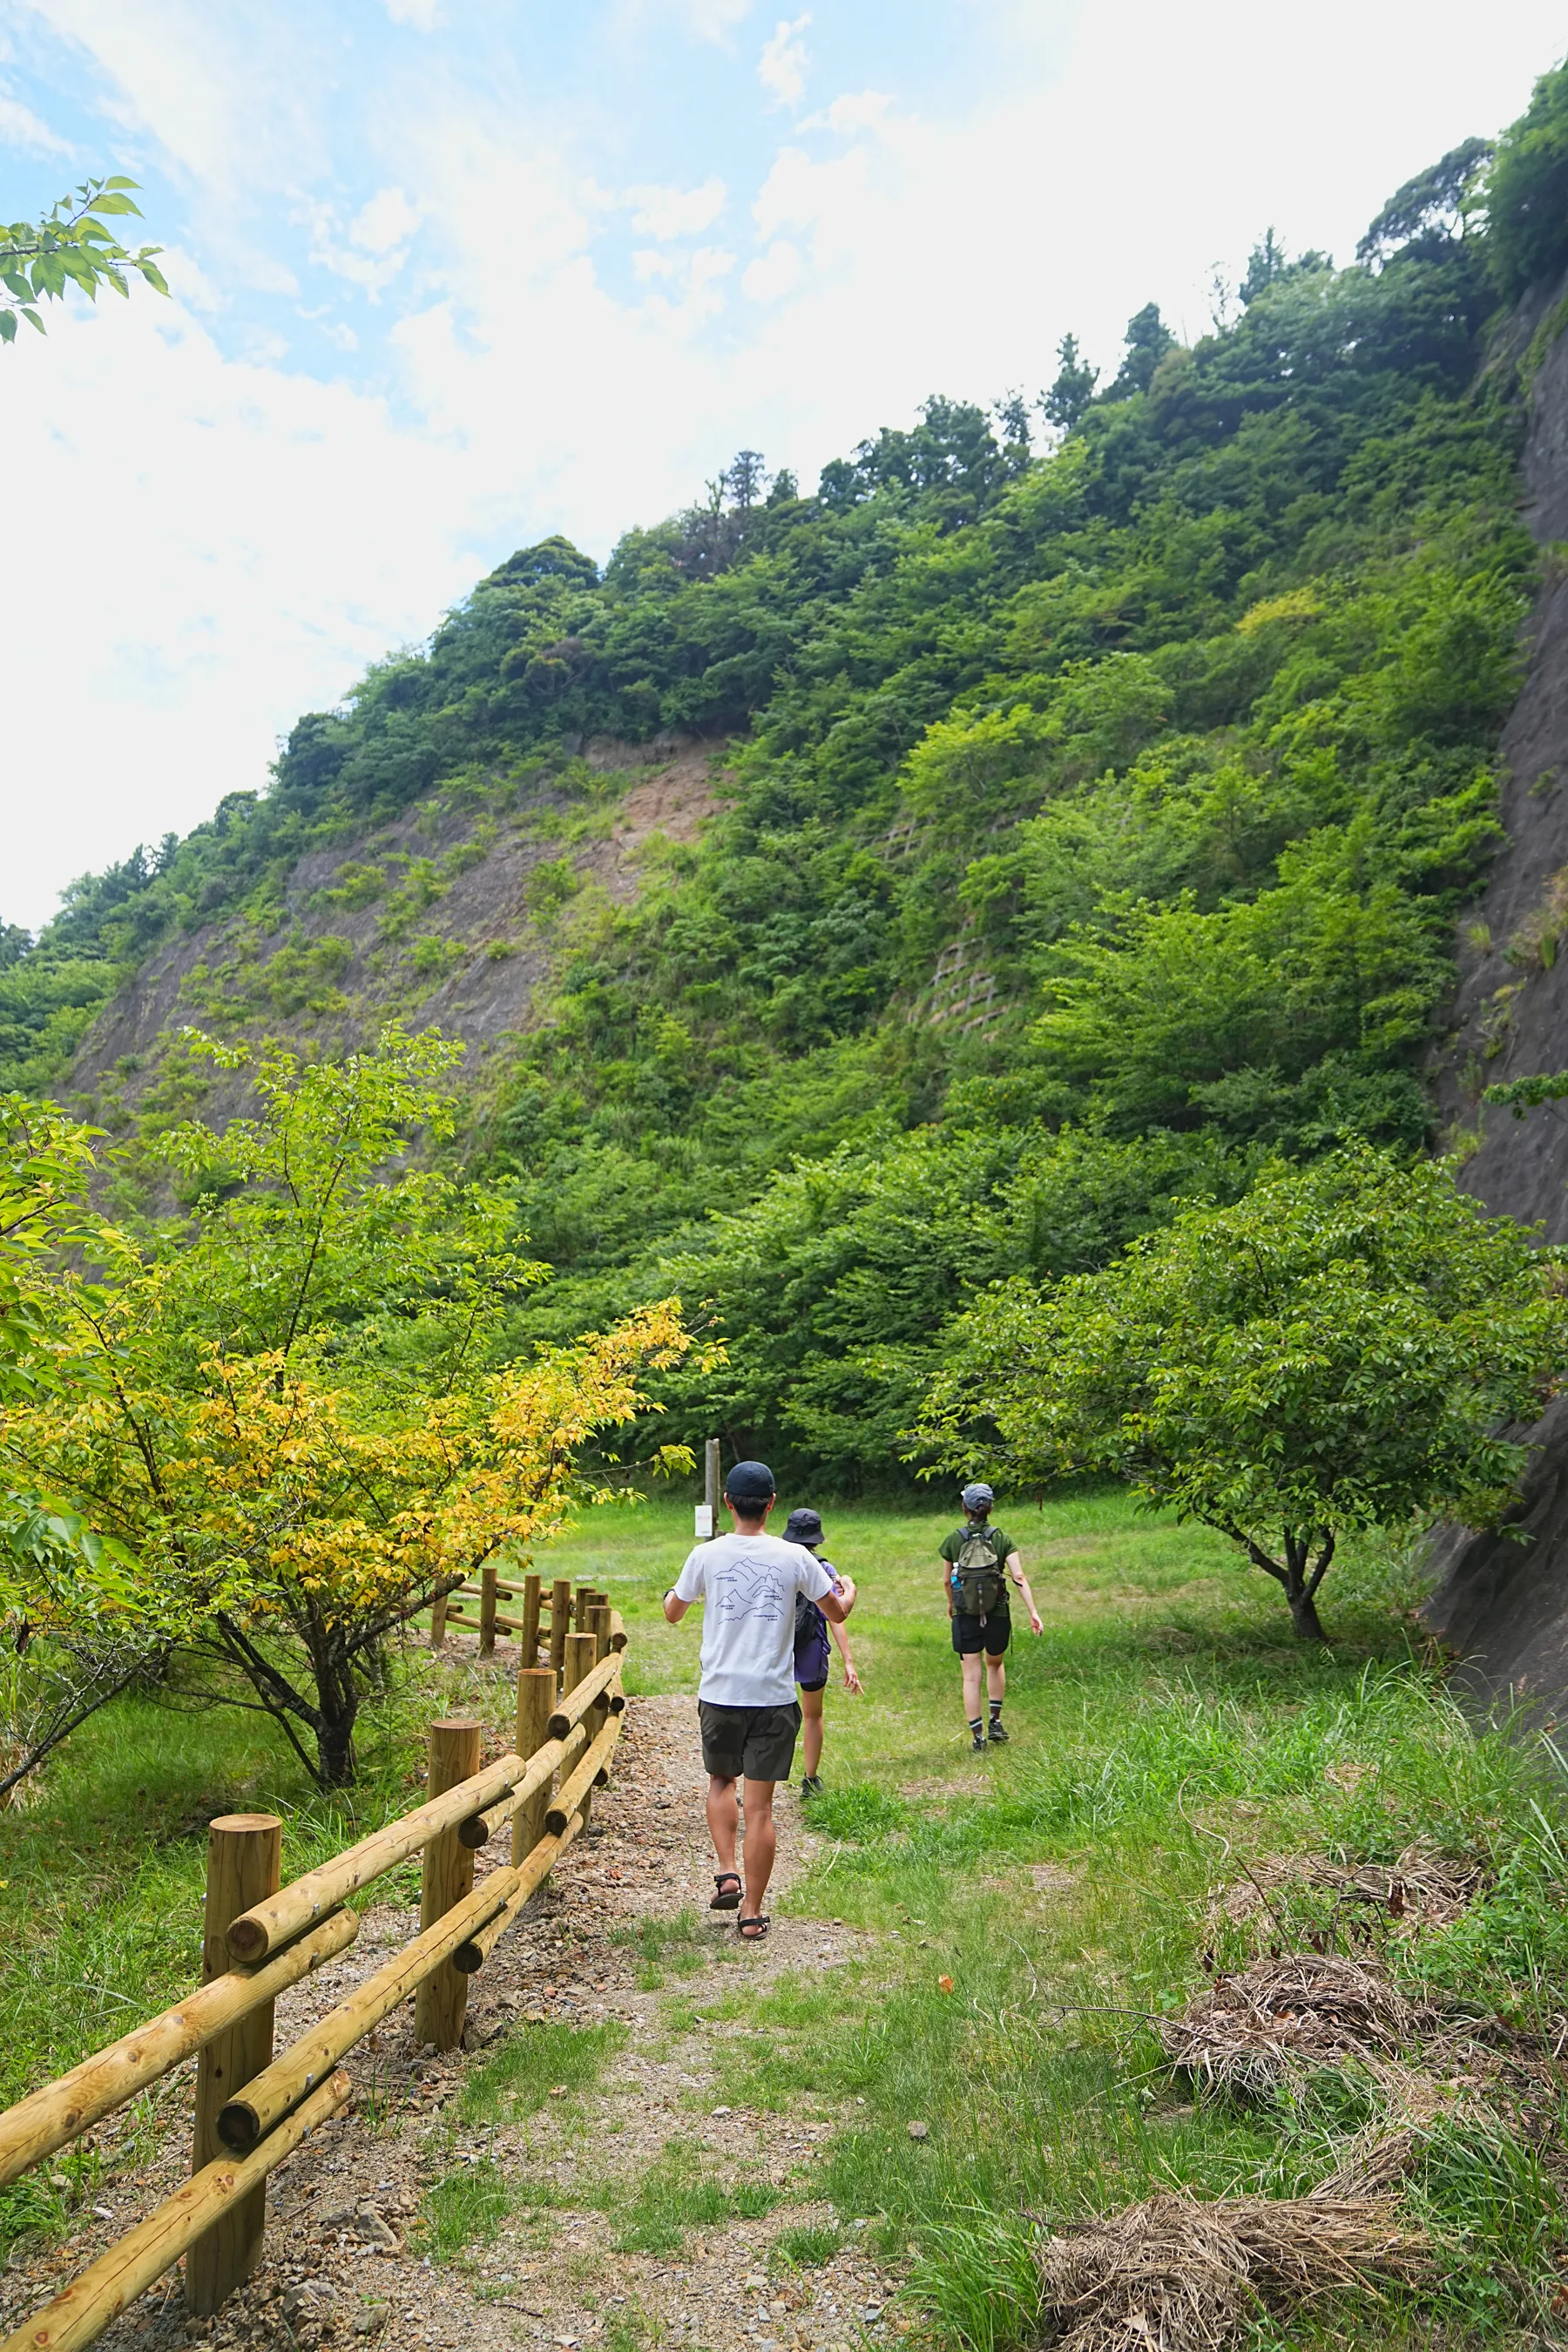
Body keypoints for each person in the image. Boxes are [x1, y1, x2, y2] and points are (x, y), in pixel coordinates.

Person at [664, 1459, 856, 1940]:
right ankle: (751, 1912)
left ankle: (726, 1868)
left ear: (728, 1502)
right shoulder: (796, 1556)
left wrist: (674, 1592)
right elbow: (835, 1609)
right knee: (762, 1810)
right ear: (772, 1504)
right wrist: (850, 1593)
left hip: (721, 1694)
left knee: (720, 1781)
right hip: (773, 1697)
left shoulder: (705, 1555)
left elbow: (672, 1612)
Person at [939, 1481, 1041, 1754]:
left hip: (965, 1613)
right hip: (997, 1612)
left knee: (971, 1676)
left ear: (965, 1508)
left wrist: (951, 1605)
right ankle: (996, 1722)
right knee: (994, 1664)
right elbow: (1018, 1576)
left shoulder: (953, 1539)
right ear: (990, 1508)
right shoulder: (1001, 1537)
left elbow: (947, 1581)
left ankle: (977, 1737)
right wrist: (1033, 1612)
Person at [782, 1506, 862, 1796]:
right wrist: (849, 1662)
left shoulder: (776, 1563)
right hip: (811, 1651)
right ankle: (810, 1779)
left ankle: (753, 1775)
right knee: (813, 1715)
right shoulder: (825, 1569)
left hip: (775, 1651)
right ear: (817, 1538)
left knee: (763, 1712)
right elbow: (835, 1616)